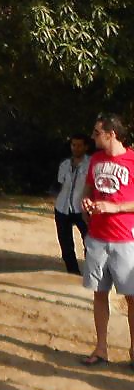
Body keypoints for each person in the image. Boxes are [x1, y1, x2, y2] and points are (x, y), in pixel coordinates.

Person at [79, 113, 134, 368]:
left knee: (131, 297)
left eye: (97, 132)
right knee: (100, 294)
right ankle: (101, 349)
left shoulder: (133, 160)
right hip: (98, 238)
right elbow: (88, 191)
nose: (92, 137)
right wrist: (86, 204)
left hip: (125, 239)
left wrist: (115, 208)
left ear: (111, 134)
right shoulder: (95, 161)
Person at [53, 133, 90, 275]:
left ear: (86, 147)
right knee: (65, 243)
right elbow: (60, 184)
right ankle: (73, 272)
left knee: (89, 241)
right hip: (62, 207)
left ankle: (90, 271)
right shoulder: (65, 164)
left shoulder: (91, 163)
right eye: (73, 145)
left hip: (81, 208)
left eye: (79, 145)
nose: (76, 148)